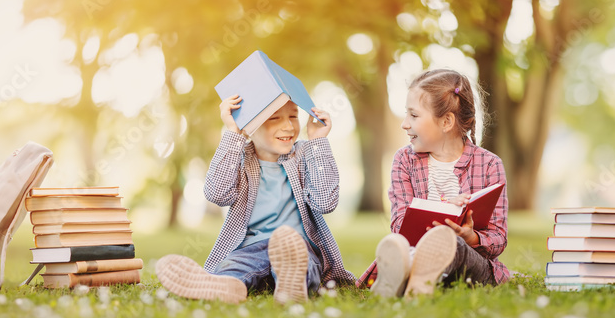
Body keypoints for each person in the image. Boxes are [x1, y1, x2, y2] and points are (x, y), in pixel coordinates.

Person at [157, 95, 355, 304]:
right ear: (250, 124)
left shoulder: (306, 154)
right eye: (274, 118)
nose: (288, 126)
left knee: (303, 265)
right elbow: (217, 193)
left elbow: (325, 202)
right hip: (252, 247)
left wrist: (318, 141)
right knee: (234, 266)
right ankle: (225, 285)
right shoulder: (239, 158)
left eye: (293, 116)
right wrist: (234, 133)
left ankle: (291, 285)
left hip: (297, 247)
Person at [359, 69, 510, 297]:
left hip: (469, 265)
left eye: (414, 115)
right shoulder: (404, 160)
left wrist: (471, 236)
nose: (404, 124)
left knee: (451, 243)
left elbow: (498, 238)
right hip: (414, 249)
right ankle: (411, 275)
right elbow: (399, 225)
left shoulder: (490, 165)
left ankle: (410, 278)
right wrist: (444, 210)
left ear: (447, 121)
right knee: (398, 245)